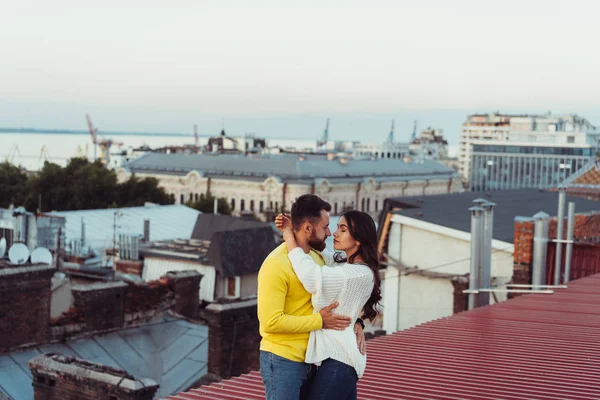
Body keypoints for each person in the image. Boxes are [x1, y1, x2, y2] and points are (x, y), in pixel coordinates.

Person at [258, 194, 366, 400]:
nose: (329, 233)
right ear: (308, 228)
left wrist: (358, 321)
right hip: (283, 359)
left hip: (313, 359)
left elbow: (351, 288)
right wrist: (320, 321)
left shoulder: (317, 258)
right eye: (325, 226)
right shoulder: (276, 265)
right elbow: (271, 322)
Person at [275, 209, 382, 400]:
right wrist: (298, 228)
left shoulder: (357, 274)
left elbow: (311, 276)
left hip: (340, 359)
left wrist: (288, 236)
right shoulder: (343, 264)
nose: (334, 233)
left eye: (343, 229)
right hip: (338, 359)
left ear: (358, 239)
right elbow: (322, 251)